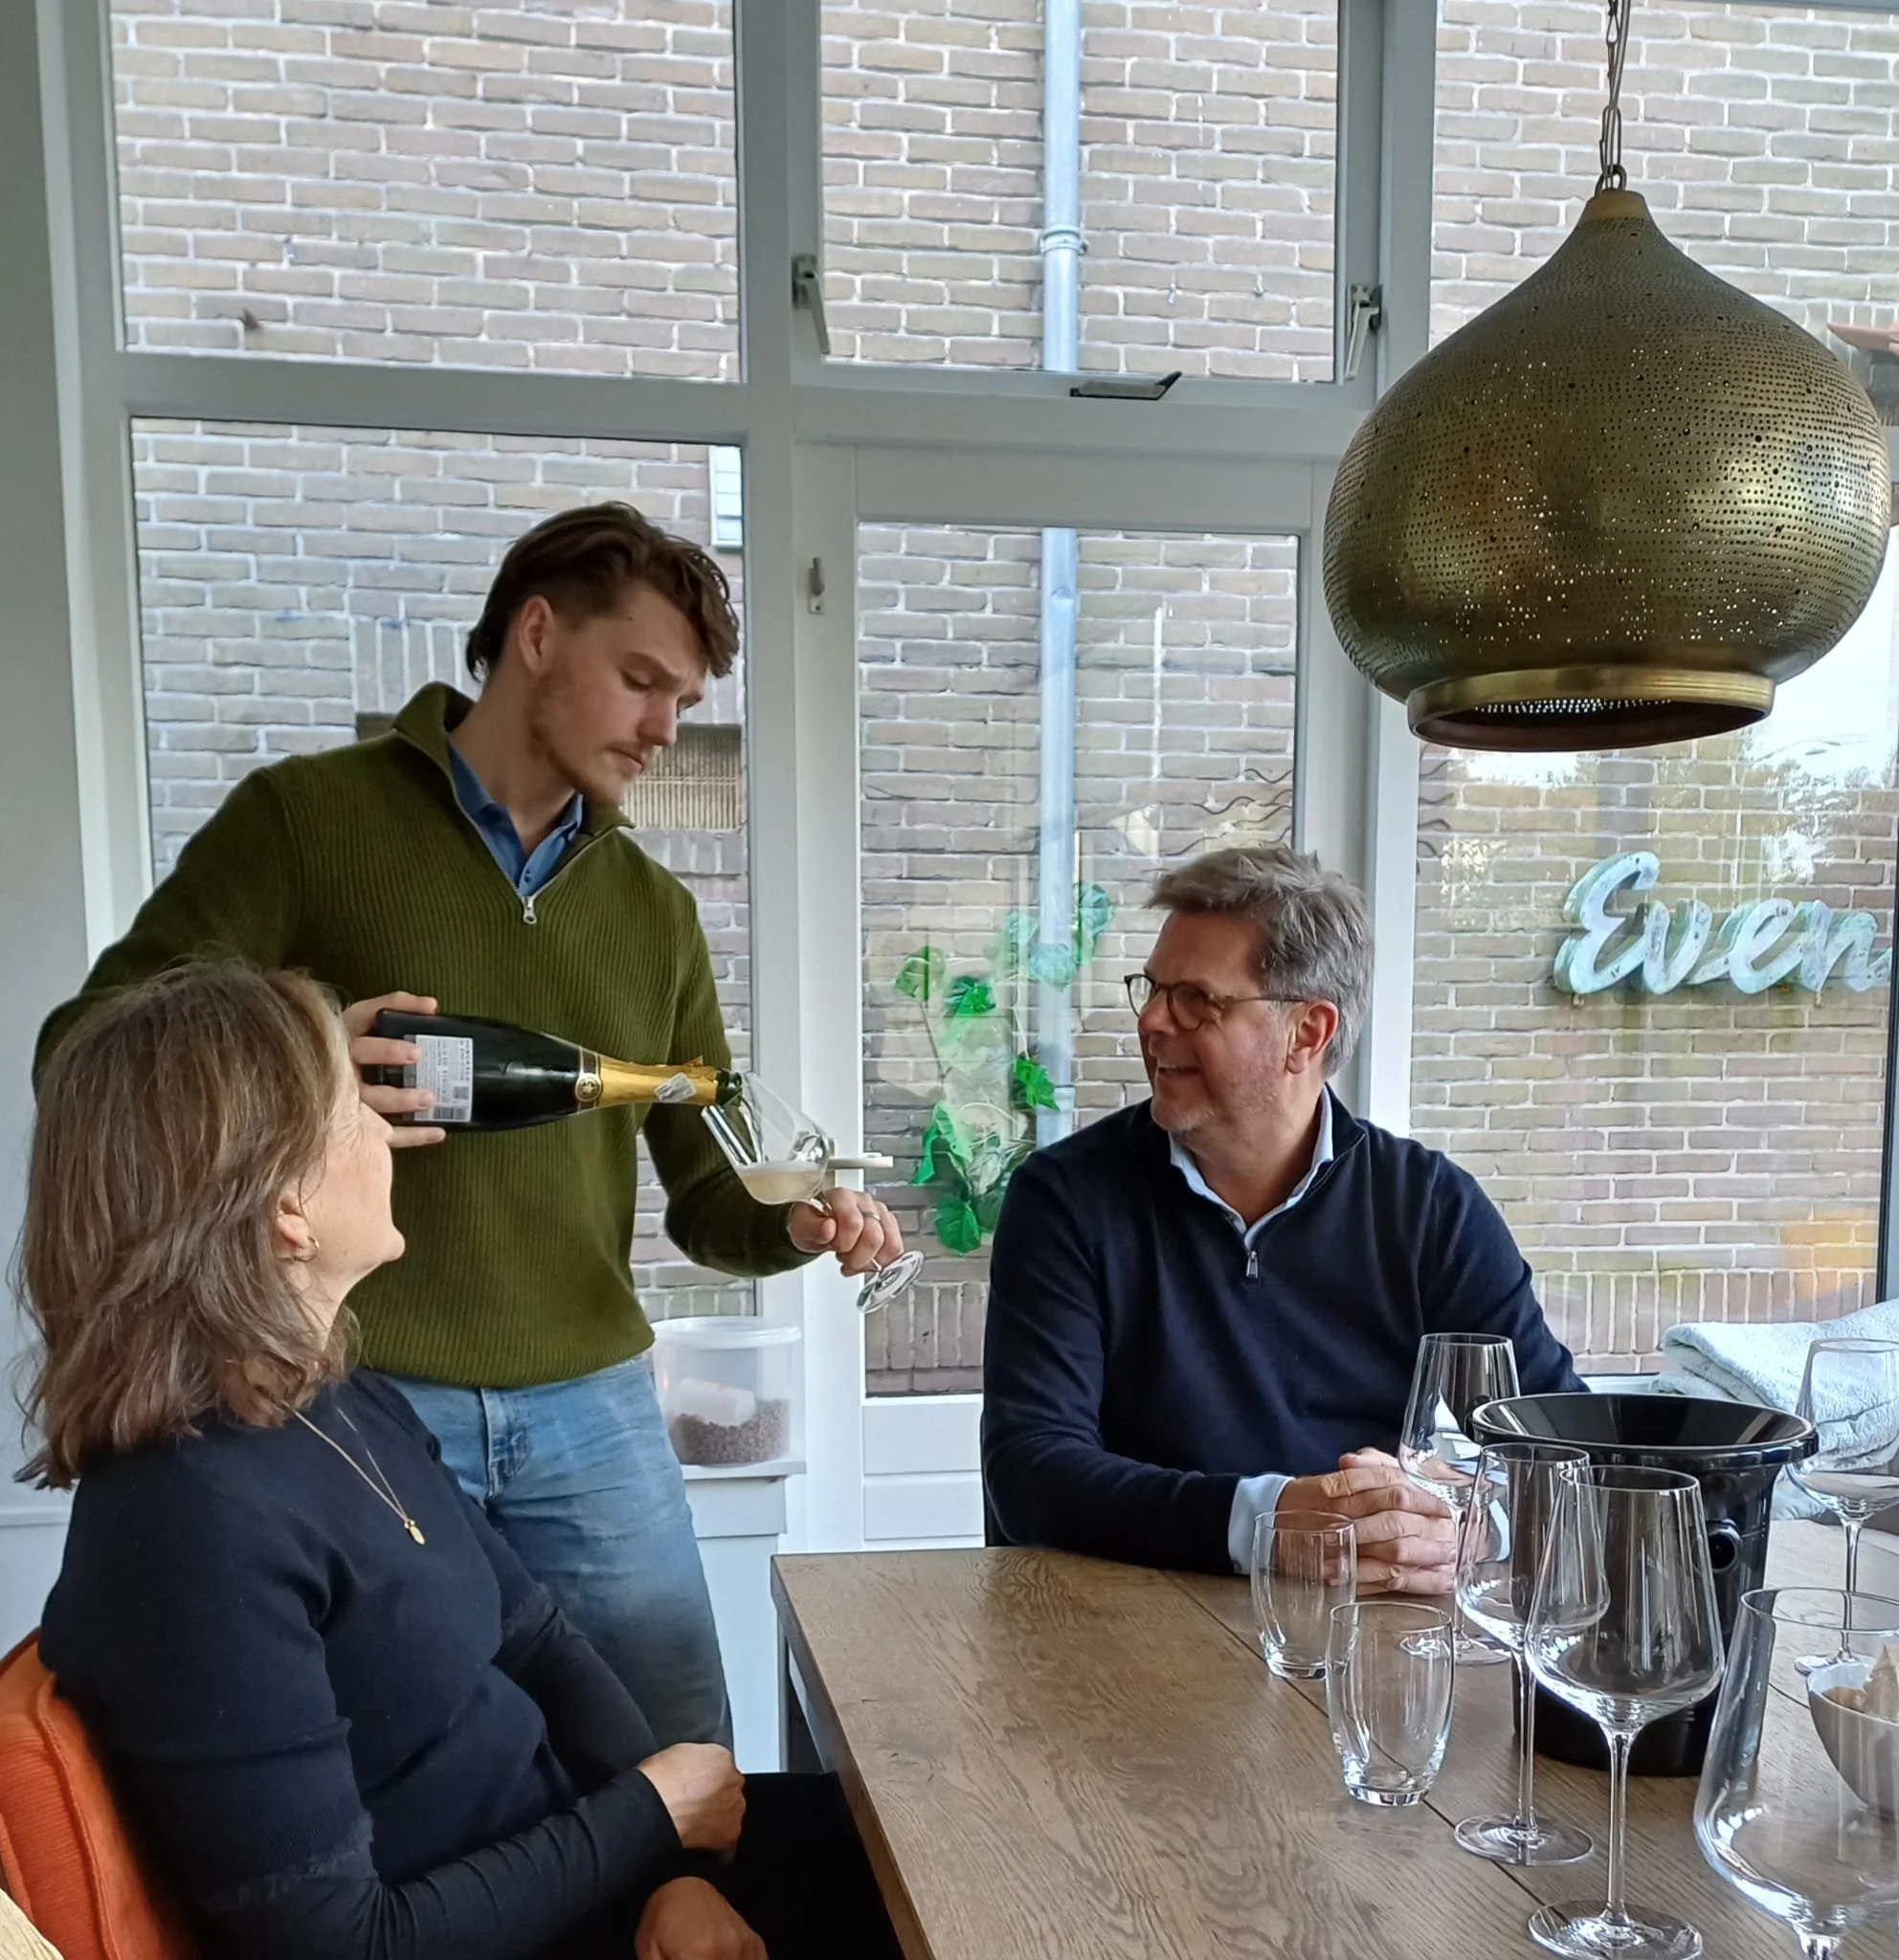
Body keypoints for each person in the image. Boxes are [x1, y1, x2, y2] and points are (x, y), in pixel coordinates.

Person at [33, 501, 905, 1749]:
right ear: (537, 634)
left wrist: (802, 1223)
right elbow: (90, 1053)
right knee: (416, 1762)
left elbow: (708, 1194)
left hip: (594, 1407)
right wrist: (309, 1057)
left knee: (683, 1756)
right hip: (346, 1391)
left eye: (683, 697)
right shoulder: (306, 820)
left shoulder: (653, 911)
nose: (667, 727)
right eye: (642, 680)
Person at [25, 964, 901, 1960]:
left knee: (925, 1828)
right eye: (350, 1103)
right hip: (535, 1921)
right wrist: (649, 1820)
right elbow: (346, 1940)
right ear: (285, 1213)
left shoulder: (338, 1397)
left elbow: (538, 1639)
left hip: (600, 1877)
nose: (391, 1126)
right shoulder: (188, 1530)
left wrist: (671, 1870)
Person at [981, 844, 1582, 1583]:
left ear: (1308, 1033)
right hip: (1127, 1645)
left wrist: (1465, 1531)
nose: (1154, 1023)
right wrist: (1270, 1524)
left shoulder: (1429, 1207)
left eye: (1198, 1000)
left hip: (1373, 1649)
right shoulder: (1065, 1199)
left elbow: (1555, 1450)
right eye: (1154, 988)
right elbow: (1031, 1473)